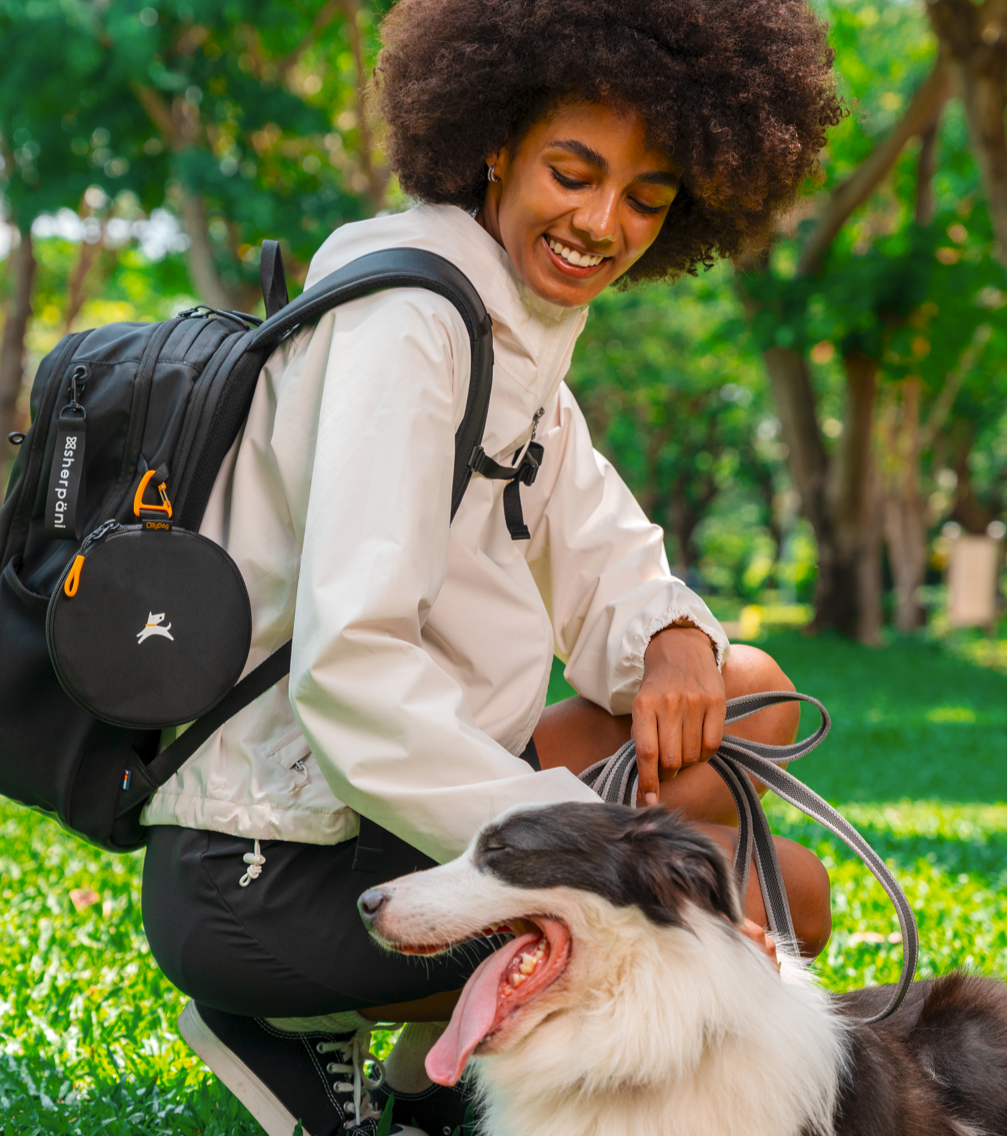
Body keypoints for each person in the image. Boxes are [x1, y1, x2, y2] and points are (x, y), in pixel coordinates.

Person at [140, 1, 844, 1132]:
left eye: (647, 198)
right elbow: (348, 669)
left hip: (372, 822)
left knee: (738, 687)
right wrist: (587, 845)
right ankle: (271, 1013)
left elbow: (612, 558)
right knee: (783, 893)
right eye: (573, 170)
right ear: (495, 145)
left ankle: (437, 1062)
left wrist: (668, 632)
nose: (601, 220)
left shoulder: (511, 341)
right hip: (265, 872)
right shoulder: (410, 326)